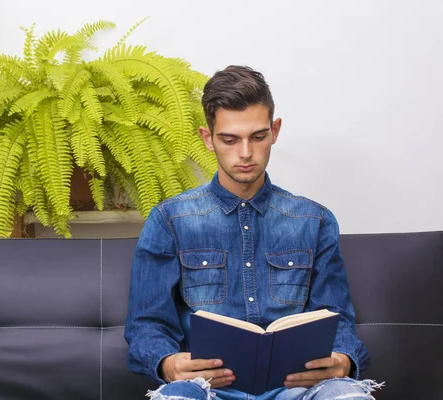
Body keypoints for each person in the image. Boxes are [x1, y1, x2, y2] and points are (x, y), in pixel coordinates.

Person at [125, 66, 381, 400]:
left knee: (346, 396)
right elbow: (146, 324)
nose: (245, 153)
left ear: (275, 131)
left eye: (257, 137)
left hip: (300, 390)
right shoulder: (170, 220)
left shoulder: (314, 220)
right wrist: (168, 363)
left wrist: (343, 359)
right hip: (207, 390)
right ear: (208, 137)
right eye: (229, 139)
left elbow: (338, 319)